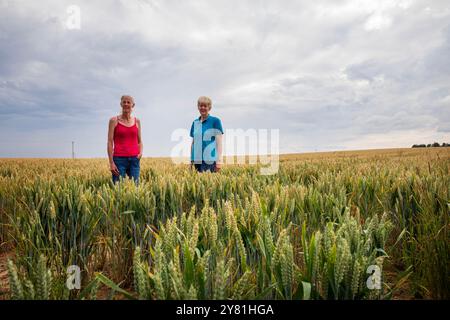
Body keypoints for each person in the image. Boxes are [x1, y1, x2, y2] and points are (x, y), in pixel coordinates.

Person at [107, 95, 143, 184]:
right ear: (121, 104)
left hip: (134, 160)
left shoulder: (137, 121)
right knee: (118, 188)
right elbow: (110, 142)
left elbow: (140, 141)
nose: (126, 104)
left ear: (133, 105)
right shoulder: (114, 121)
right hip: (119, 160)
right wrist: (111, 162)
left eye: (128, 102)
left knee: (136, 188)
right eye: (124, 102)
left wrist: (140, 152)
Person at [190, 96, 223, 172]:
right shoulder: (195, 123)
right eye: (201, 106)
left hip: (209, 160)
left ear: (209, 107)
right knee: (197, 182)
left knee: (208, 182)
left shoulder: (215, 121)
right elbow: (193, 143)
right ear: (198, 107)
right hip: (196, 160)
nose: (203, 108)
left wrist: (219, 160)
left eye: (205, 106)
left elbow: (219, 142)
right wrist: (191, 159)